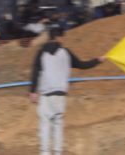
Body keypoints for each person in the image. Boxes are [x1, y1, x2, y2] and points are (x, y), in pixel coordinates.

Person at [29, 25, 106, 155]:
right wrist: (97, 60)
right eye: (62, 37)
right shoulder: (66, 53)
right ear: (58, 37)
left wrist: (32, 91)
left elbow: (36, 71)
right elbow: (82, 65)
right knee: (58, 125)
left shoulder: (41, 52)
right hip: (60, 95)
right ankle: (58, 152)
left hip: (46, 94)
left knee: (45, 125)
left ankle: (45, 153)